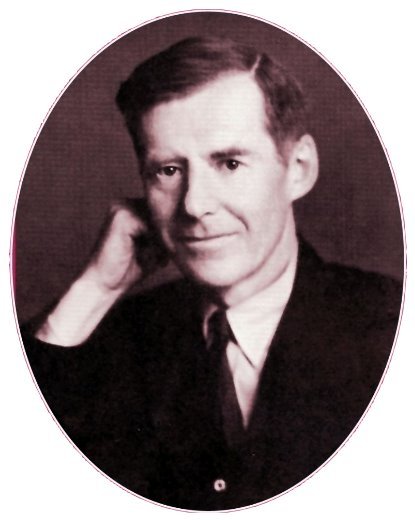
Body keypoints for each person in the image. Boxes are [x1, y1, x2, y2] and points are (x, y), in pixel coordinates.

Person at [22, 37, 402, 510]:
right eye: (168, 170)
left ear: (299, 169)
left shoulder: (391, 327)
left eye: (230, 163)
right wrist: (94, 288)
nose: (195, 204)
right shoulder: (110, 339)